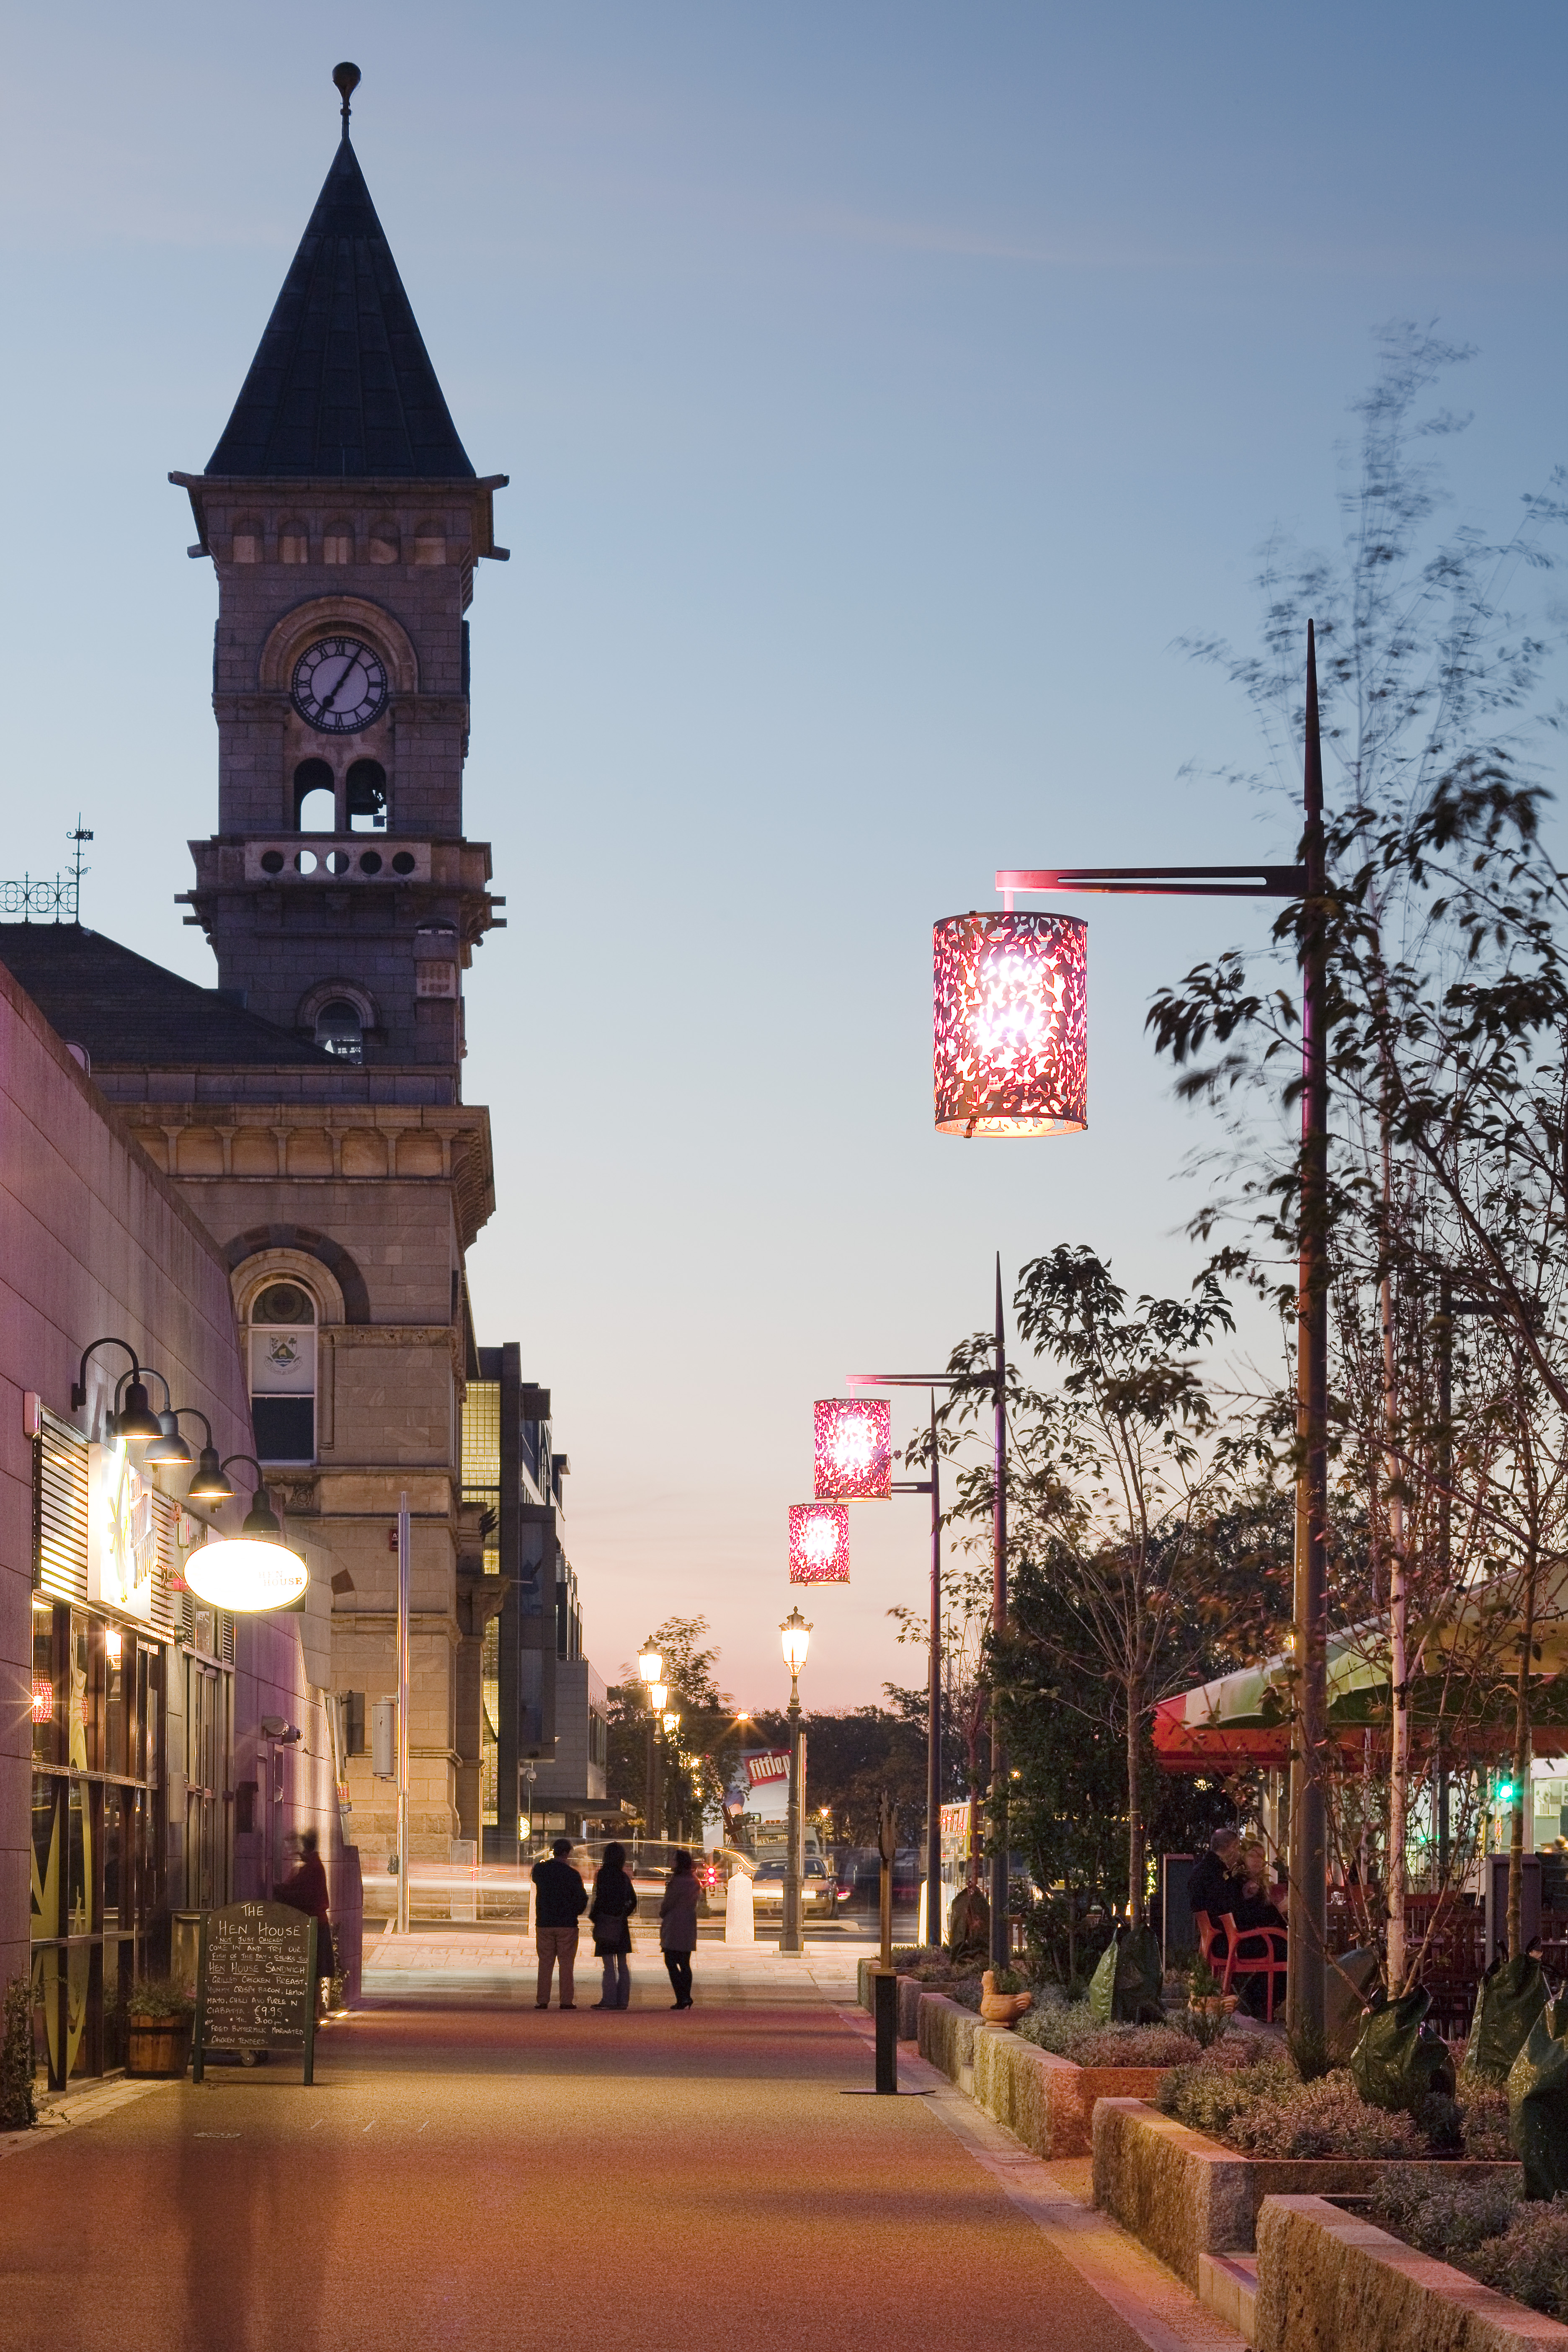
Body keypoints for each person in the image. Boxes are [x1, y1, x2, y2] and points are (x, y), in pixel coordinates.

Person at [275, 1827, 334, 2019]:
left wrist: (278, 1888)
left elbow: (296, 1895)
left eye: (299, 1849)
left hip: (313, 1926)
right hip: (318, 1924)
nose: (297, 1853)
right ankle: (315, 2012)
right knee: (315, 1972)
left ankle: (313, 2013)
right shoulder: (313, 1867)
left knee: (313, 1971)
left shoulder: (311, 1870)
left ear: (306, 1850)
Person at [530, 1836, 587, 2009]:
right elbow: (582, 1900)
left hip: (545, 1923)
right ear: (568, 1853)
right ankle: (566, 2001)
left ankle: (543, 2000)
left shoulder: (541, 1869)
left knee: (545, 1963)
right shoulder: (573, 1875)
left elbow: (534, 1876)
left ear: (553, 1851)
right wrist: (574, 1912)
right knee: (567, 1964)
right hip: (567, 1925)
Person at [590, 1841, 637, 2009]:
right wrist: (623, 1914)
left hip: (606, 1921)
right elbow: (634, 1900)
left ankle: (609, 2000)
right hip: (620, 1924)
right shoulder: (623, 1877)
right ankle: (623, 2000)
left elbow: (600, 1898)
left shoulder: (603, 1875)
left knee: (608, 1965)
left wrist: (595, 1918)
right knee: (623, 1964)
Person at [1188, 1827, 1246, 1952]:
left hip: (1210, 1937)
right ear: (1232, 1847)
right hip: (1226, 1940)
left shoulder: (1200, 1870)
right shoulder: (1219, 1874)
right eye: (1237, 1847)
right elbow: (1228, 1908)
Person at [659, 1848, 701, 2009]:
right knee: (685, 1962)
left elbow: (668, 1903)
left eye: (674, 1859)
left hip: (674, 1924)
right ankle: (687, 1996)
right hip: (689, 1923)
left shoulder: (677, 1881)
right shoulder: (694, 1880)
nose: (671, 1862)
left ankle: (681, 1997)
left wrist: (662, 1912)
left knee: (670, 1961)